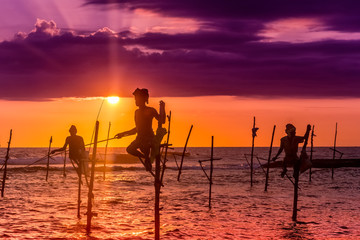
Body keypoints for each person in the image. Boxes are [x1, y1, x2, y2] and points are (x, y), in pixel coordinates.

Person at [115, 88, 165, 171]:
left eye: (137, 99)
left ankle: (147, 159)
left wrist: (163, 108)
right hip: (139, 138)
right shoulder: (136, 112)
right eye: (135, 99)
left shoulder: (150, 110)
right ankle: (146, 158)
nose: (135, 101)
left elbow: (162, 121)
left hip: (149, 138)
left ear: (143, 99)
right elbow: (137, 129)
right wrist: (122, 134)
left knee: (145, 147)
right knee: (129, 149)